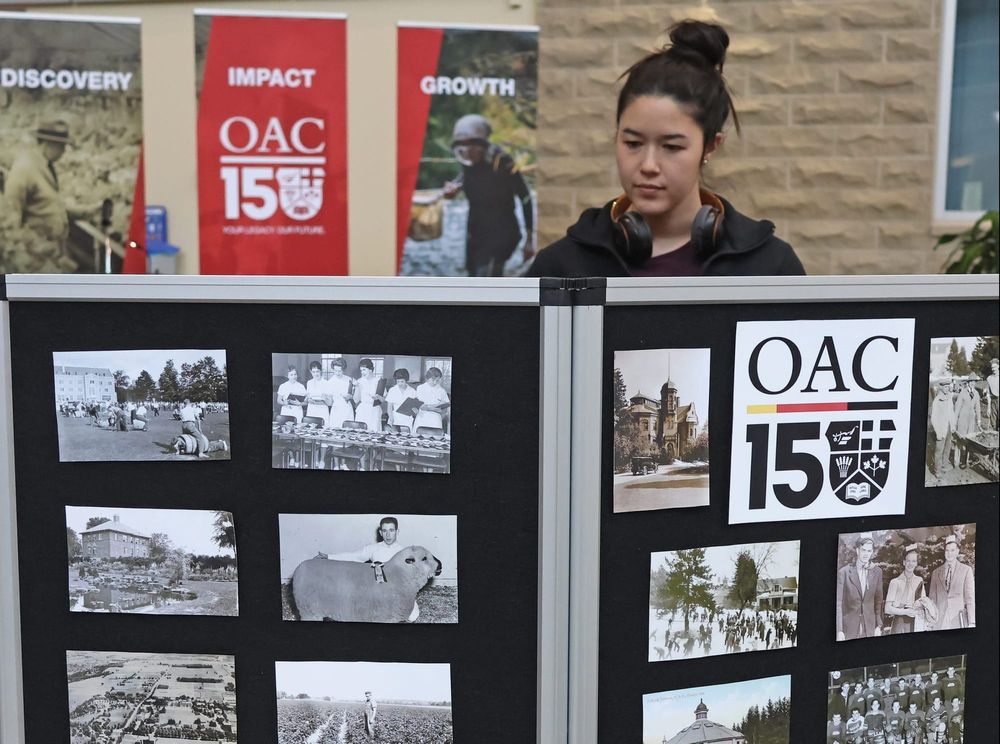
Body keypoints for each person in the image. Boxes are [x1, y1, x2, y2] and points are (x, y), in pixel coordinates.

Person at [526, 20, 804, 279]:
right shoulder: (562, 267)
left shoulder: (769, 266)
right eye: (632, 143)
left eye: (671, 146)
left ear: (710, 146)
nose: (648, 165)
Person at [443, 113, 535, 276]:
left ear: (481, 143)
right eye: (461, 145)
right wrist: (453, 188)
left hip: (503, 231)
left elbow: (525, 196)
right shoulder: (469, 165)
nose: (466, 150)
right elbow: (466, 177)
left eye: (470, 144)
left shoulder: (502, 161)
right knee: (474, 278)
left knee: (489, 276)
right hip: (476, 234)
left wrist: (529, 238)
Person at [2, 119, 95, 272]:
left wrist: (85, 211)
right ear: (49, 144)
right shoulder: (24, 170)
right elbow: (12, 223)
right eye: (62, 146)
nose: (64, 151)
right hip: (36, 258)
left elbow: (48, 205)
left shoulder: (44, 166)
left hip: (53, 252)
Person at [316, 517, 420, 622]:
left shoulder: (404, 552)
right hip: (375, 591)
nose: (388, 535)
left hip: (396, 592)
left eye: (391, 530)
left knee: (413, 615)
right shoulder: (373, 549)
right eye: (384, 531)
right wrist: (329, 556)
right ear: (380, 532)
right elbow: (353, 556)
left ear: (397, 532)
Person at [836, 535, 884, 641]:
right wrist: (839, 630)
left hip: (870, 628)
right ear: (858, 550)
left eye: (869, 551)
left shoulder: (877, 572)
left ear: (872, 552)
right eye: (863, 550)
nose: (866, 554)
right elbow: (838, 604)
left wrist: (878, 625)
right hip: (849, 628)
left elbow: (878, 601)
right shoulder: (844, 573)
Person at [928, 535, 975, 630]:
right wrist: (930, 623)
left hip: (958, 620)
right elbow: (932, 600)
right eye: (947, 550)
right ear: (944, 551)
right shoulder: (936, 573)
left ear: (958, 551)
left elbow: (970, 599)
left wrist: (972, 621)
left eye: (953, 550)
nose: (949, 553)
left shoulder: (966, 570)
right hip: (939, 622)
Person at [884, 544, 927, 634]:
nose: (910, 564)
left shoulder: (919, 581)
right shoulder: (895, 582)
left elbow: (924, 604)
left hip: (915, 622)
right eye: (908, 561)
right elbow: (887, 609)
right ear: (904, 562)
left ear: (916, 563)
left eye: (913, 561)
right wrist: (905, 611)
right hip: (899, 622)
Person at [951, 377, 981, 468]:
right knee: (960, 440)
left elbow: (978, 408)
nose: (973, 383)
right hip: (962, 419)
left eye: (974, 382)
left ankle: (965, 461)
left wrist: (979, 421)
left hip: (971, 420)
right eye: (971, 381)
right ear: (968, 382)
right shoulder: (962, 393)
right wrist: (954, 422)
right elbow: (957, 408)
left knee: (969, 441)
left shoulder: (976, 393)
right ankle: (956, 461)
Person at [929, 381, 956, 477]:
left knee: (947, 447)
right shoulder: (937, 400)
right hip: (941, 428)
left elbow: (952, 413)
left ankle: (944, 465)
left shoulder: (949, 398)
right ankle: (937, 470)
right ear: (941, 388)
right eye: (944, 387)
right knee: (939, 450)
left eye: (948, 386)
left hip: (948, 427)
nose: (946, 388)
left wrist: (953, 426)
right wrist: (938, 431)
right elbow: (933, 418)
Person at [413, 366, 451, 433]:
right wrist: (436, 408)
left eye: (437, 380)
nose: (435, 382)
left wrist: (430, 407)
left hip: (436, 420)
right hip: (422, 418)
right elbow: (422, 406)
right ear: (427, 378)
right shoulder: (420, 388)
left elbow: (445, 407)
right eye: (433, 380)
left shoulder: (442, 390)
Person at [353, 358, 383, 432]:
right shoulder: (359, 381)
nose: (362, 372)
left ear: (370, 369)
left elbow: (383, 400)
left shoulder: (379, 381)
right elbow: (356, 400)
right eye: (361, 370)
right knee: (361, 433)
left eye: (364, 370)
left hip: (374, 410)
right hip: (363, 410)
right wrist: (357, 387)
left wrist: (378, 397)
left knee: (374, 432)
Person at [326, 357, 355, 428]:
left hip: (347, 409)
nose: (337, 373)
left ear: (343, 369)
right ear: (333, 369)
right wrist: (326, 398)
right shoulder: (330, 382)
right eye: (335, 370)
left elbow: (353, 395)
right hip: (336, 410)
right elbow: (329, 402)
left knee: (348, 432)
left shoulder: (349, 379)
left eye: (340, 371)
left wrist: (350, 396)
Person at [304, 361, 332, 426]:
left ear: (321, 371)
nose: (316, 374)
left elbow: (330, 403)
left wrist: (325, 399)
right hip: (311, 410)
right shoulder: (309, 383)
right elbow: (307, 398)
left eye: (317, 371)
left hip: (322, 411)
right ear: (311, 372)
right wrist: (308, 400)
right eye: (313, 372)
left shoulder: (326, 383)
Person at [986, 357, 999, 430]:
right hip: (993, 402)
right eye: (992, 367)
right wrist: (988, 408)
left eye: (995, 367)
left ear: (998, 366)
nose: (993, 369)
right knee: (993, 424)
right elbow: (988, 394)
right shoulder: (989, 378)